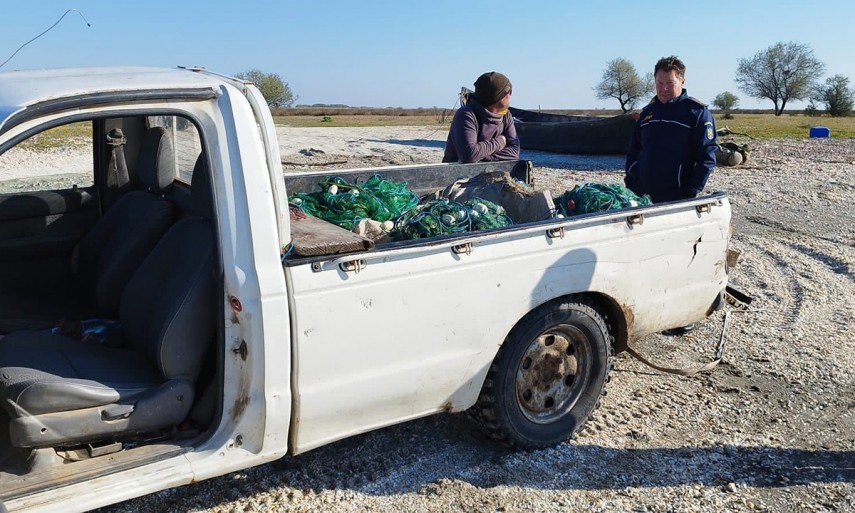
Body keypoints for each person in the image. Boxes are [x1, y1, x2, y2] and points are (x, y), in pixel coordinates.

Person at [624, 56, 717, 204]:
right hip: (641, 196)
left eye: (670, 83)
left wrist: (692, 190)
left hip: (677, 197)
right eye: (659, 83)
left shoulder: (697, 114)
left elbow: (707, 157)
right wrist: (631, 179)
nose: (664, 89)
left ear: (682, 82)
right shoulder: (647, 113)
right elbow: (633, 151)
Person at [443, 71, 520, 163]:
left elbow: (514, 153)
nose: (511, 95)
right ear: (498, 97)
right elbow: (469, 156)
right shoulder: (466, 115)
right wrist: (500, 142)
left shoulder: (506, 115)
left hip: (492, 171)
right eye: (509, 91)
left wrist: (480, 156)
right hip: (457, 172)